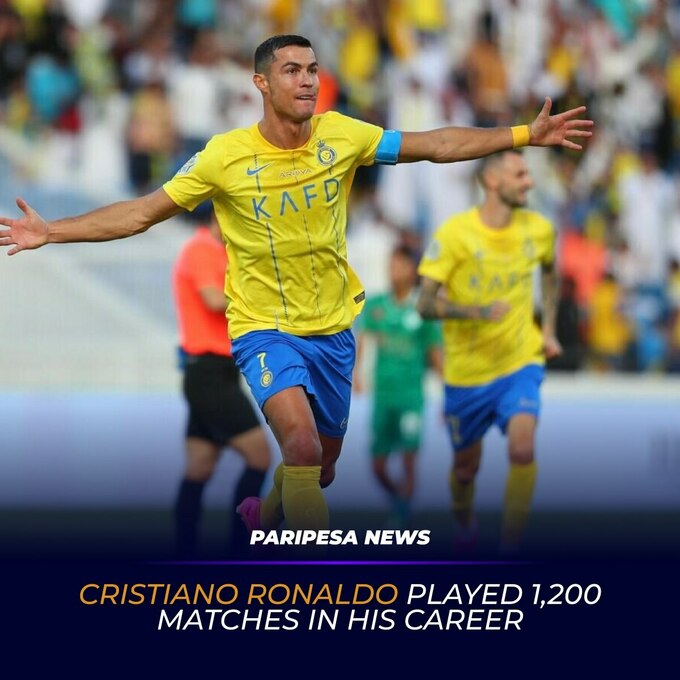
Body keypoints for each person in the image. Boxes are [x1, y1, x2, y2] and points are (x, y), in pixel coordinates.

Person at [0, 34, 592, 540]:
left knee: (319, 468)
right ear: (261, 83)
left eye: (312, 70)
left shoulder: (343, 135)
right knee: (303, 450)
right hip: (263, 329)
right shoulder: (224, 158)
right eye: (292, 70)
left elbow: (434, 145)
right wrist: (53, 231)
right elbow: (140, 213)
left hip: (333, 331)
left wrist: (522, 134)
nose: (307, 80)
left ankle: (266, 514)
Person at [416, 149, 562, 555]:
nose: (530, 182)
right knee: (466, 470)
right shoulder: (455, 235)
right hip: (467, 374)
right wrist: (475, 312)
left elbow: (550, 273)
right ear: (493, 181)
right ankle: (464, 523)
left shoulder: (539, 230)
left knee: (522, 449)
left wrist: (548, 329)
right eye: (520, 175)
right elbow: (424, 304)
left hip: (520, 360)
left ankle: (509, 549)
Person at [172, 211, 270, 558]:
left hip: (215, 371)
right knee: (260, 456)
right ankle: (240, 547)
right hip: (209, 373)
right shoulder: (201, 249)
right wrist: (258, 303)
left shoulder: (222, 252)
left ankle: (185, 548)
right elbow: (214, 299)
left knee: (199, 466)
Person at [354, 244, 442, 528]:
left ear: (412, 271)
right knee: (377, 466)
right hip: (383, 395)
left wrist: (450, 394)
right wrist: (356, 372)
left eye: (400, 265)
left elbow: (435, 353)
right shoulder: (376, 304)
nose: (393, 271)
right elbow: (363, 338)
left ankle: (403, 515)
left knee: (408, 460)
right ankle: (400, 503)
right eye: (391, 265)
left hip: (411, 396)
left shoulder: (422, 309)